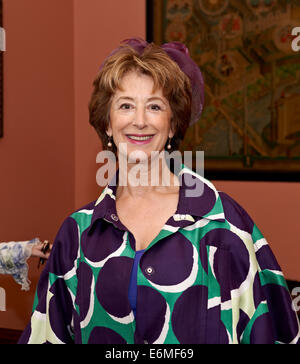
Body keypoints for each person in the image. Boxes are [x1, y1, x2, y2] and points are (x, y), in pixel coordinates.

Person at [19, 38, 299, 344]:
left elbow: (271, 331)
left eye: (154, 106)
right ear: (108, 124)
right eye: (125, 105)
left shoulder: (224, 224)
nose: (139, 121)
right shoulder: (78, 233)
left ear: (173, 123)